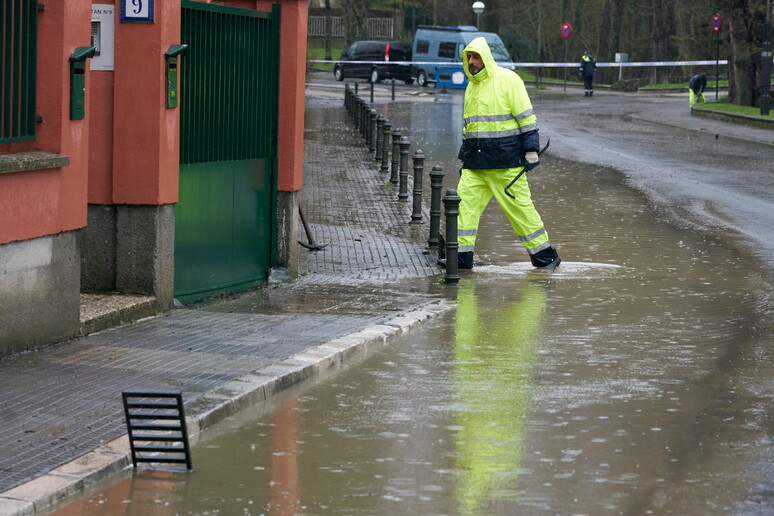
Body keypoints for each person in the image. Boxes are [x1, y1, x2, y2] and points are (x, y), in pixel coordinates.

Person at [452, 37, 560, 271]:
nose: (472, 61)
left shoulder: (508, 80)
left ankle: (546, 258)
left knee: (522, 213)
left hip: (506, 165)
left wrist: (531, 150)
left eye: (476, 56)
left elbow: (526, 118)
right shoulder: (471, 87)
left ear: (486, 57)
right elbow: (469, 128)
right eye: (468, 57)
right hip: (475, 166)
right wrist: (464, 157)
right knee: (463, 210)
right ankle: (460, 259)